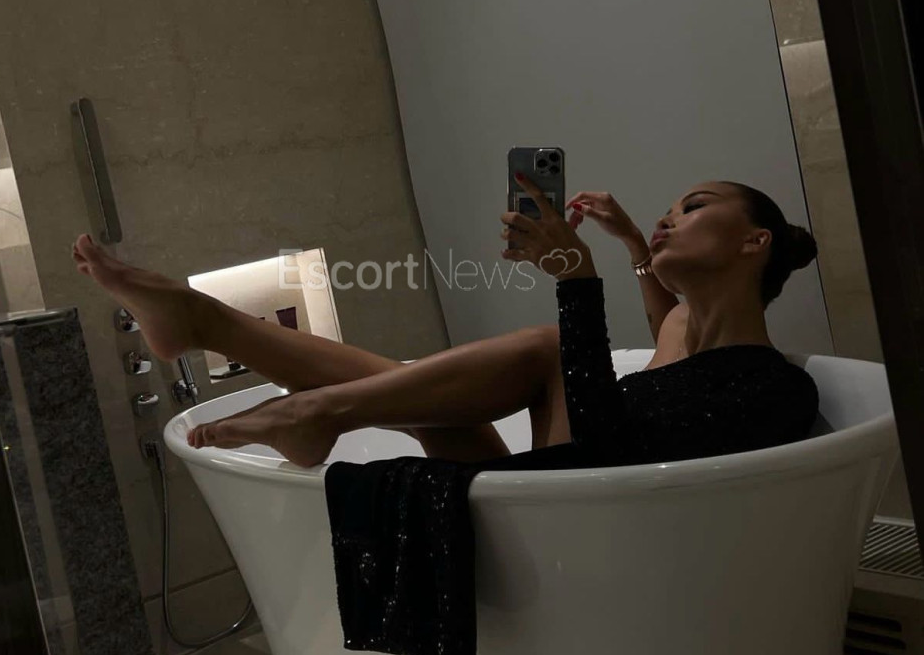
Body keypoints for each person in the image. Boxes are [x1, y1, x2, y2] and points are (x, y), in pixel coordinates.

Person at [71, 176, 820, 469]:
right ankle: (207, 321)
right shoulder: (680, 332)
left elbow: (606, 447)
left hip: (588, 524)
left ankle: (301, 399)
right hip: (554, 498)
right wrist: (629, 245)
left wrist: (577, 281)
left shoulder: (774, 386)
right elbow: (665, 316)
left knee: (548, 348)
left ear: (754, 243)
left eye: (693, 207)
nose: (667, 217)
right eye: (666, 212)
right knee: (426, 401)